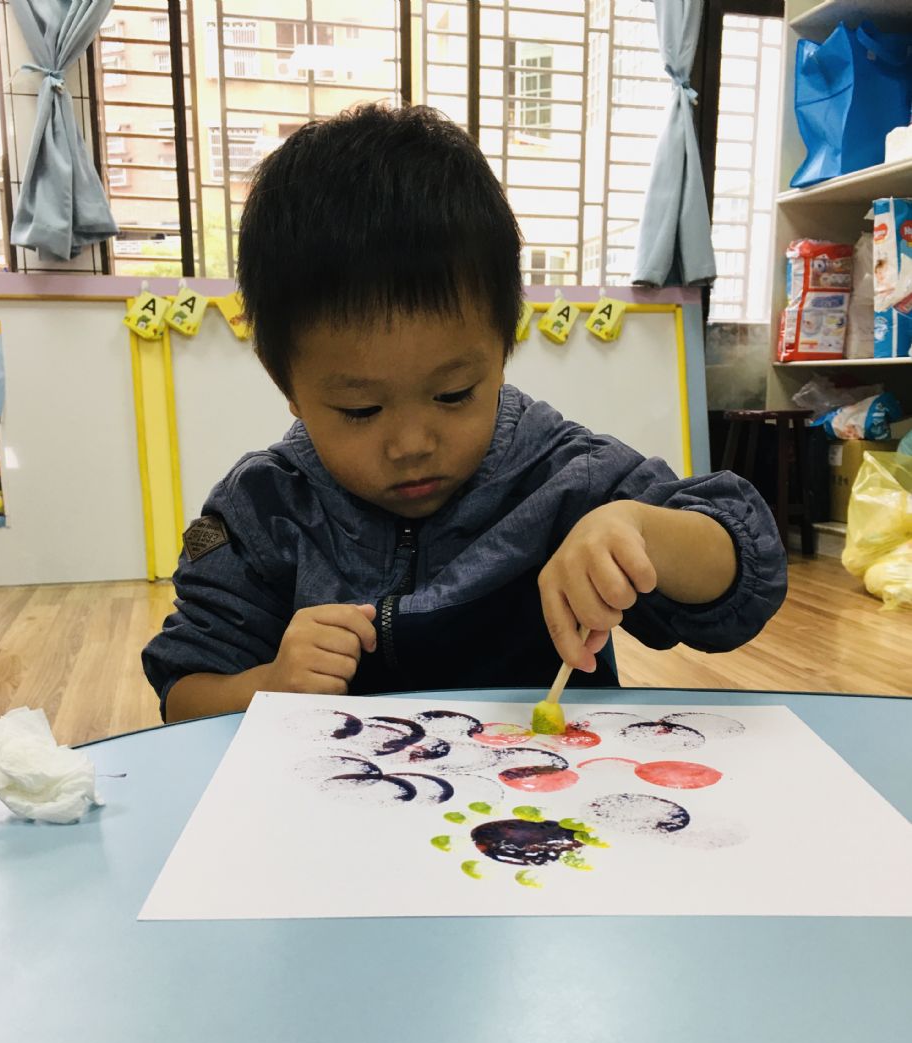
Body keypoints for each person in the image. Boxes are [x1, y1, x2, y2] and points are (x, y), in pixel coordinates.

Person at [143, 104, 786, 723]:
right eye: (361, 409)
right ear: (285, 382)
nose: (412, 444)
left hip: (546, 788)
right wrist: (266, 686)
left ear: (503, 349)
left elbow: (745, 570)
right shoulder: (264, 511)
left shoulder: (564, 474)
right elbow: (184, 694)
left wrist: (643, 532)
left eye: (453, 395)